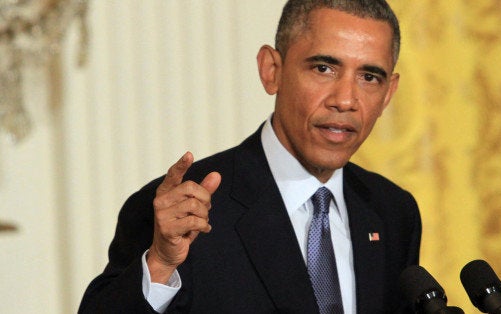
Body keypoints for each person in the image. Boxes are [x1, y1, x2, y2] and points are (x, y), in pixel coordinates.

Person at [79, 0, 421, 313]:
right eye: (323, 69)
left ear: (388, 92)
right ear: (272, 71)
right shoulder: (181, 211)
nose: (346, 100)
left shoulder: (393, 212)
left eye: (369, 77)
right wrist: (159, 265)